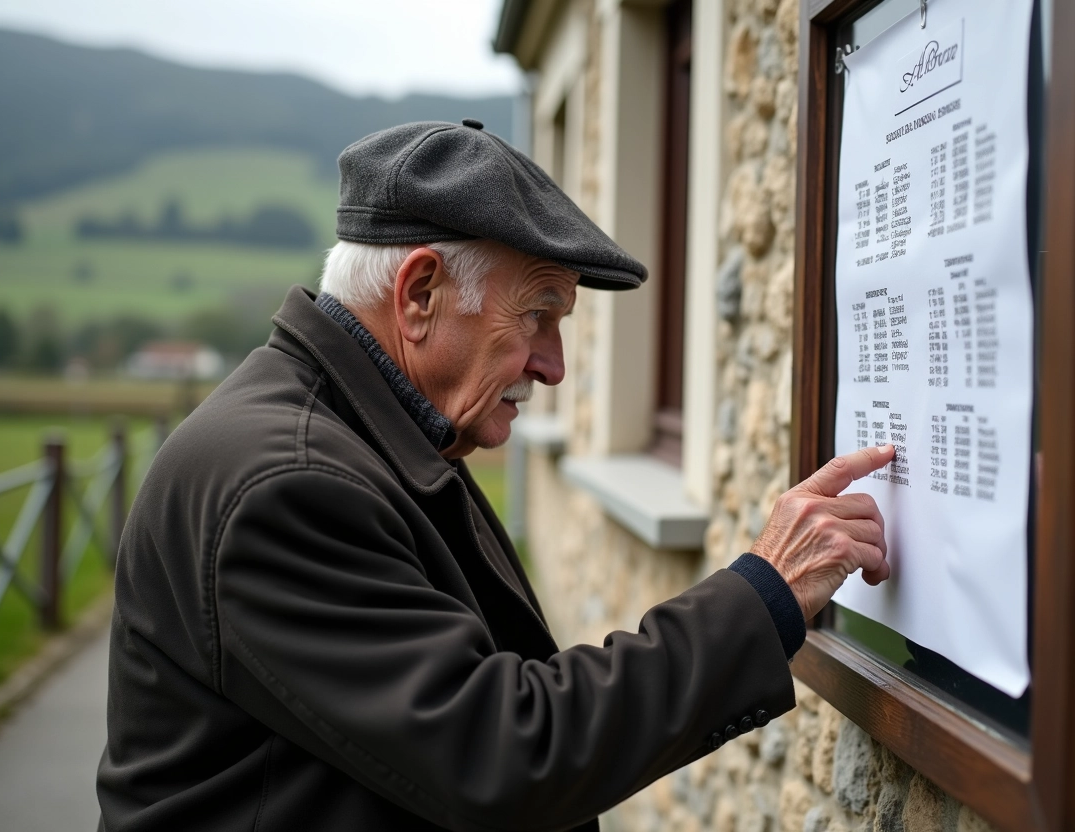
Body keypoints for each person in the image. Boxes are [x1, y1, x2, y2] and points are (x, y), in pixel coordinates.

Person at [97, 120, 893, 831]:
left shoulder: (372, 432)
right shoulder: (291, 484)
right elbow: (501, 755)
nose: (553, 366)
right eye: (537, 314)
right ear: (419, 295)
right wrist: (763, 596)